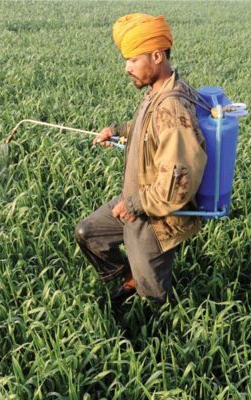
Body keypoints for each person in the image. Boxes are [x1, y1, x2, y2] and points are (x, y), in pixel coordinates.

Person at [75, 13, 207, 307]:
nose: (127, 68)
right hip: (136, 198)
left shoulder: (172, 108)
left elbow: (178, 185)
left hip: (156, 217)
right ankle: (129, 278)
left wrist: (133, 205)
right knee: (89, 233)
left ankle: (158, 340)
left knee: (152, 303)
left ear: (157, 55)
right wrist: (118, 131)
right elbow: (147, 128)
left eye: (133, 59)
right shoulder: (156, 92)